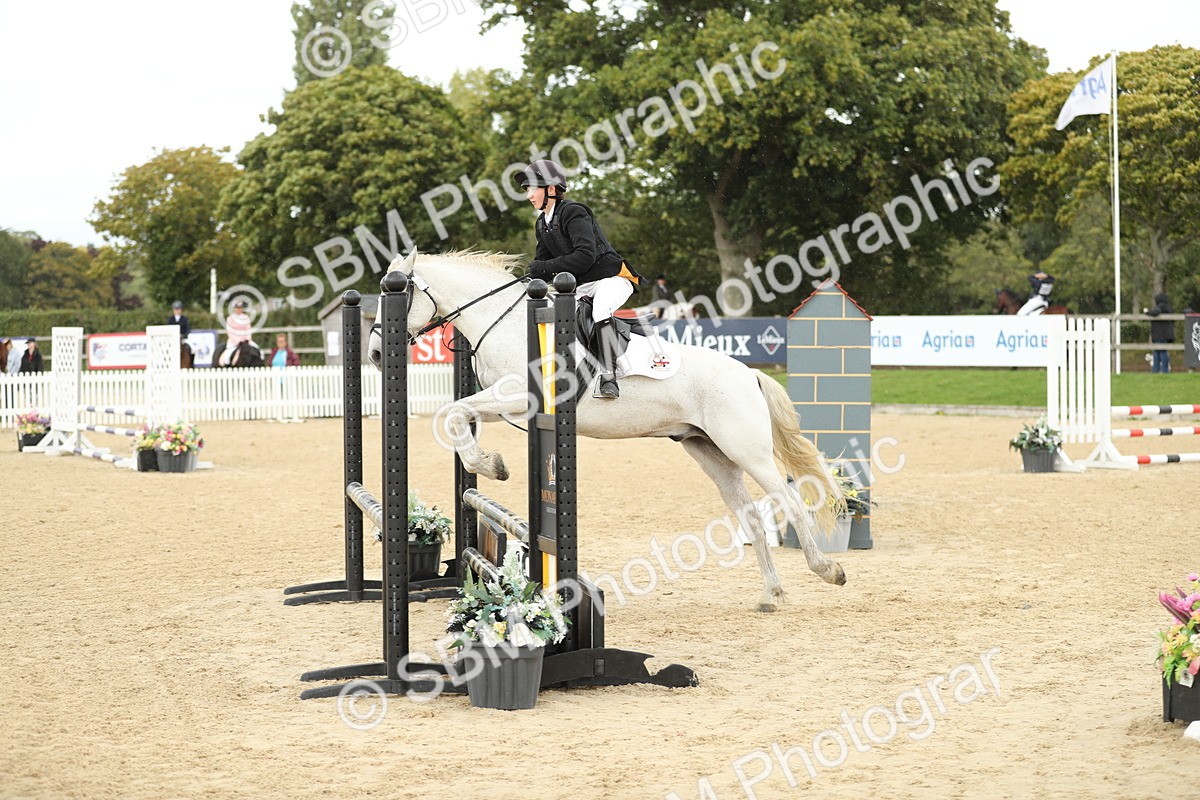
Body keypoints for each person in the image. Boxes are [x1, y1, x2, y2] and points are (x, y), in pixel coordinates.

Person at [518, 159, 644, 398]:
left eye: (532, 189)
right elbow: (541, 265)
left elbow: (585, 256)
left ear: (551, 189)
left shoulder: (574, 211)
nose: (529, 196)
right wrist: (527, 278)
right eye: (527, 190)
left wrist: (542, 267)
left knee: (601, 309)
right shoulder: (542, 223)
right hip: (582, 286)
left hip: (611, 278)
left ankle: (609, 376)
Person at [1145, 292, 1175, 374]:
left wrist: (1147, 312)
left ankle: (1159, 370)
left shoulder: (1160, 307)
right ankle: (1160, 370)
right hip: (1165, 334)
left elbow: (1156, 312)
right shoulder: (1168, 308)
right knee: (1160, 352)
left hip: (1159, 334)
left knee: (1159, 353)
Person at [220, 301, 254, 366]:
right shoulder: (230, 319)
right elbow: (230, 332)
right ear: (234, 309)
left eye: (240, 308)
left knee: (257, 350)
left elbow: (248, 330)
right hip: (233, 342)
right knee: (227, 356)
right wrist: (237, 341)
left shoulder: (246, 318)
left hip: (246, 341)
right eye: (237, 308)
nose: (239, 309)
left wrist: (247, 339)